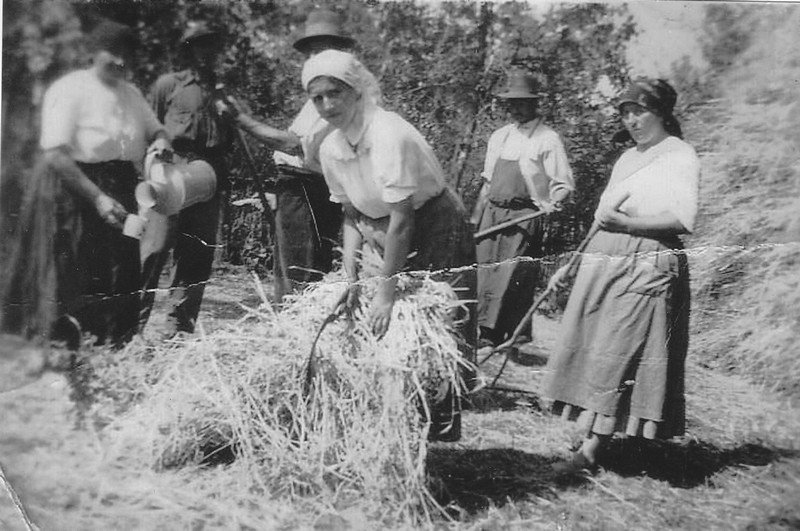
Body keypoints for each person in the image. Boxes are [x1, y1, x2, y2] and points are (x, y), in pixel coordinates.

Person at [300, 49, 477, 442]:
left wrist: (384, 293)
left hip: (433, 225)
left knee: (429, 328)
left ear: (357, 91)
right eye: (318, 98)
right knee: (367, 327)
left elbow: (403, 219)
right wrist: (349, 276)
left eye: (336, 93)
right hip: (378, 230)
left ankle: (430, 433)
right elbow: (350, 216)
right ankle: (381, 428)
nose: (328, 105)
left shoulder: (387, 133)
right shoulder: (331, 149)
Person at [540, 78, 699, 473]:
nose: (632, 120)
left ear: (661, 112)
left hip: (648, 259)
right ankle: (598, 436)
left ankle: (590, 454)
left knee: (618, 351)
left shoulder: (679, 155)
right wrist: (572, 264)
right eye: (626, 113)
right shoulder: (627, 159)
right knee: (595, 346)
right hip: (604, 257)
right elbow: (601, 219)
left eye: (639, 111)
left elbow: (682, 218)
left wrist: (628, 225)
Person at [1, 20, 170, 348]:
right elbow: (55, 154)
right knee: (78, 267)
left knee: (123, 267)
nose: (121, 61)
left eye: (128, 55)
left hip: (123, 185)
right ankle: (72, 349)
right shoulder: (70, 88)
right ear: (93, 53)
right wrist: (97, 198)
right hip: (76, 188)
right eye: (114, 53)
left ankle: (116, 346)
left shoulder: (131, 93)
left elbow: (156, 129)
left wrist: (162, 142)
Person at [229, 8, 379, 303]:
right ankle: (297, 327)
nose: (313, 57)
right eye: (310, 51)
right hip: (308, 186)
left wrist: (242, 120)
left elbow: (293, 144)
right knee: (300, 269)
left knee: (298, 272)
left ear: (337, 50)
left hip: (307, 187)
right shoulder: (333, 86)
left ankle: (294, 330)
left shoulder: (341, 91)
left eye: (320, 48)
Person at [140, 21, 234, 338]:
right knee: (153, 249)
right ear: (189, 50)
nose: (207, 52)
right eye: (200, 44)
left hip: (209, 173)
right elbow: (148, 132)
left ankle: (177, 330)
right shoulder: (169, 86)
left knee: (196, 254)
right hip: (170, 168)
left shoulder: (223, 92)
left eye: (212, 45)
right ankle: (129, 326)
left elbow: (230, 142)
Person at [474, 70, 574, 349]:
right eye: (512, 102)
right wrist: (476, 216)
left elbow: (563, 183)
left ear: (534, 104)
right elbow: (488, 180)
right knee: (483, 272)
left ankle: (496, 335)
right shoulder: (500, 136)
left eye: (522, 102)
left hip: (523, 217)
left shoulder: (547, 139)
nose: (516, 108)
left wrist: (557, 200)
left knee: (509, 275)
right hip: (492, 213)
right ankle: (477, 328)